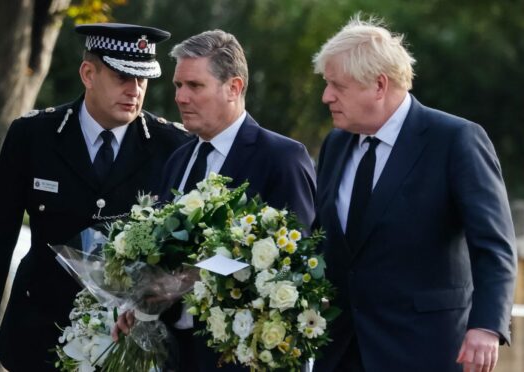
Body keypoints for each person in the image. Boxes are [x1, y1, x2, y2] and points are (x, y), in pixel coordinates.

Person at [0, 23, 191, 372]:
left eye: (142, 80)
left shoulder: (173, 146)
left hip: (132, 348)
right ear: (88, 73)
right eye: (122, 77)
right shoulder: (34, 136)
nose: (134, 90)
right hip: (38, 340)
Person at [311, 15, 517, 372]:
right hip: (342, 350)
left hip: (425, 350)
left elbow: (494, 245)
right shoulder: (336, 143)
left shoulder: (455, 140)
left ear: (378, 85)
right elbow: (326, 239)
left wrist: (486, 326)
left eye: (337, 86)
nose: (326, 96)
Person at [114, 29, 316, 372]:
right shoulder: (179, 159)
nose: (181, 97)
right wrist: (138, 301)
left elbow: (294, 268)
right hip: (172, 355)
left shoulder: (281, 158)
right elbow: (162, 254)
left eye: (195, 86)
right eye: (179, 86)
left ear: (234, 88)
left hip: (242, 357)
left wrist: (192, 278)